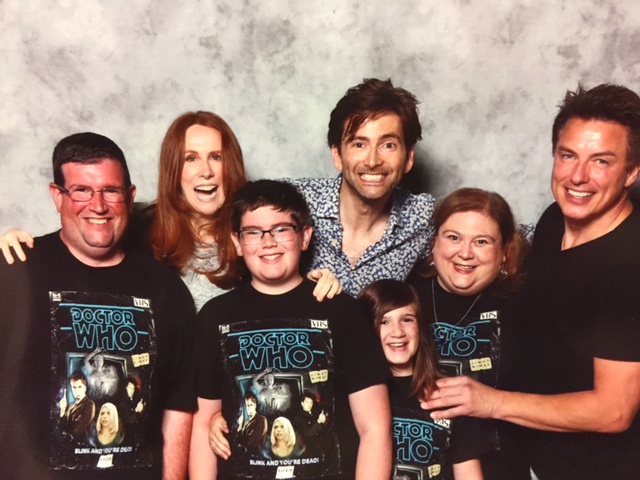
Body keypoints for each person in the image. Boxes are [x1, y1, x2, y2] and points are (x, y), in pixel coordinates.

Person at [422, 84, 640, 480]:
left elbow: (614, 411)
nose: (578, 176)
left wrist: (491, 403)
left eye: (601, 161)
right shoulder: (554, 219)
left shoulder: (628, 265)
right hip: (536, 460)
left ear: (632, 172)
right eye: (568, 155)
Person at [0, 132, 196, 479]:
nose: (98, 205)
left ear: (130, 195)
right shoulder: (14, 271)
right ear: (57, 196)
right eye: (81, 191)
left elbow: (177, 408)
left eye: (110, 191)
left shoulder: (165, 288)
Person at [0, 111, 340, 310]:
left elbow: (282, 294)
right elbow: (83, 238)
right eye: (191, 158)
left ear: (230, 166)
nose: (205, 171)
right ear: (175, 171)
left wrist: (316, 281)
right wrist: (25, 243)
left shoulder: (254, 234)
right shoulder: (138, 224)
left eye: (216, 157)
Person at [190, 179, 392, 480]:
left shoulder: (341, 311)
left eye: (281, 229)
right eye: (253, 233)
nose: (268, 242)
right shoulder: (215, 317)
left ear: (305, 236)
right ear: (237, 242)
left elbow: (375, 428)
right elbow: (204, 426)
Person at [409, 188, 529, 479]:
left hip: (501, 467)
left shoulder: (528, 305)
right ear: (433, 243)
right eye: (453, 237)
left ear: (503, 253)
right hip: (418, 464)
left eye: (482, 242)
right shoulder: (405, 296)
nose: (465, 253)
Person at [288, 78, 436, 296]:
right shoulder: (294, 201)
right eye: (359, 144)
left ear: (408, 158)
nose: (373, 161)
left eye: (388, 145)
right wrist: (297, 288)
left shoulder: (423, 217)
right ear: (337, 155)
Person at [358, 279, 487, 480]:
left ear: (420, 327)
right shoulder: (357, 398)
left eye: (407, 319)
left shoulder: (449, 395)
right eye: (384, 321)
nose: (398, 332)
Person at [59, 372, 96, 443]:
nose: (76, 391)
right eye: (74, 387)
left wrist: (66, 431)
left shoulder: (89, 404)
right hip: (69, 446)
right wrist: (63, 410)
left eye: (79, 387)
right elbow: (62, 428)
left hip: (82, 446)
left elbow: (76, 430)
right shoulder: (71, 406)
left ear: (85, 387)